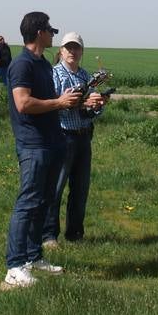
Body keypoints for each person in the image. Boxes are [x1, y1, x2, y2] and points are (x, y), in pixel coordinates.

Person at [3, 11, 83, 288]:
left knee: (41, 203)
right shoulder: (21, 65)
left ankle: (34, 256)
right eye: (51, 30)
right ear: (39, 32)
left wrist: (76, 101)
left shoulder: (42, 64)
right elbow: (23, 103)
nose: (53, 34)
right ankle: (14, 266)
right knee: (27, 204)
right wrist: (60, 103)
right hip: (33, 145)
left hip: (52, 142)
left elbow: (51, 100)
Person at [43, 32, 107, 246]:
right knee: (56, 187)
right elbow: (53, 106)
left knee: (80, 188)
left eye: (76, 48)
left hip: (83, 136)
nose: (72, 51)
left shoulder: (85, 76)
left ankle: (75, 234)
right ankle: (49, 235)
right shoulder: (54, 74)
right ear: (61, 51)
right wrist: (81, 103)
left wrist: (97, 105)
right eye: (68, 47)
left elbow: (88, 112)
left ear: (82, 51)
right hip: (62, 136)